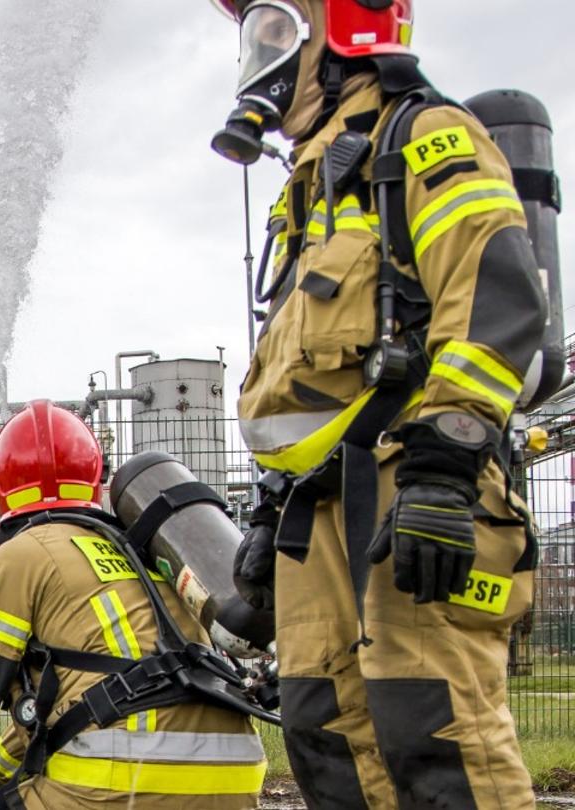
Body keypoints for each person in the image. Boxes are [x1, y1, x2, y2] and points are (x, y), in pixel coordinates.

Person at [211, 1, 545, 805]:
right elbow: (315, 375)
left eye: (272, 29)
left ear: (343, 31)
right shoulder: (310, 190)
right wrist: (269, 506)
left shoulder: (425, 138)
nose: (255, 54)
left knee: (432, 734)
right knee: (323, 731)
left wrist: (446, 463)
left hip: (413, 491)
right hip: (318, 516)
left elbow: (493, 296)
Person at [0, 401, 266, 809]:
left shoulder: (21, 556)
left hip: (124, 778)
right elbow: (58, 717)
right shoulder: (148, 554)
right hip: (233, 776)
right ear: (96, 482)